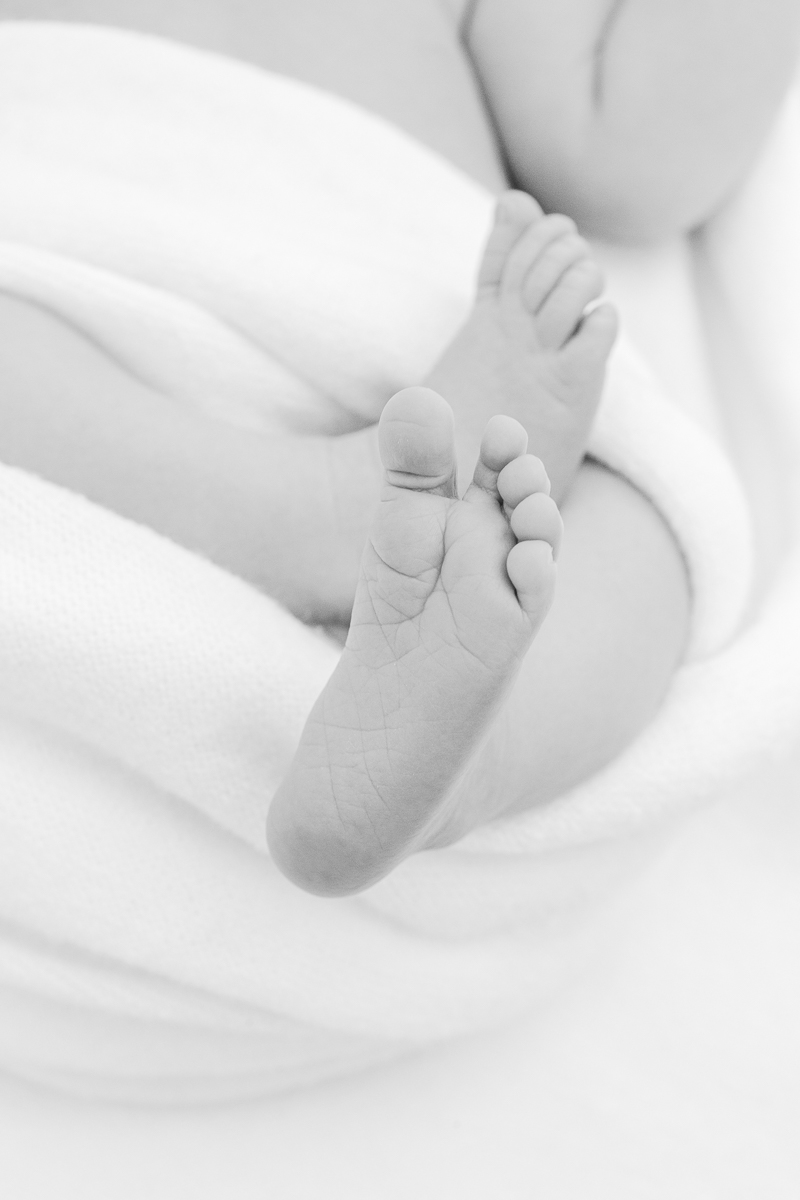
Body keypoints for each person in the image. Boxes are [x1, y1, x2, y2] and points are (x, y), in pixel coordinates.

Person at [1, 0, 799, 895]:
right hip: (82, 241)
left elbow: (641, 156)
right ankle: (323, 515)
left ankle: (461, 753)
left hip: (444, 334)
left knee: (644, 524)